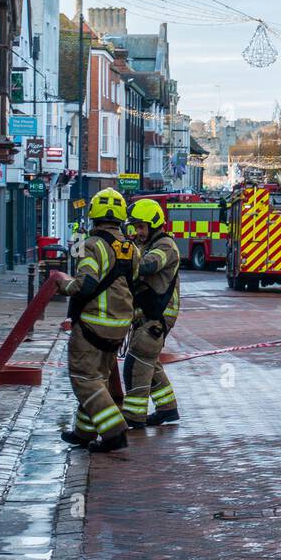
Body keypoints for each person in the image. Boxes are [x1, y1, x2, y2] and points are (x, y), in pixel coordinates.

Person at [58, 189, 139, 454]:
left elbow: (85, 284)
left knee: (84, 377)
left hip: (94, 324)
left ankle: (114, 432)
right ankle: (84, 432)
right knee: (99, 377)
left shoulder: (92, 245)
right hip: (120, 326)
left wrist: (62, 284)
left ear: (94, 215)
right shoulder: (130, 247)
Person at [122, 199, 181, 429]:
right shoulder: (145, 244)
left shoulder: (165, 246)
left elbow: (147, 266)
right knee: (149, 362)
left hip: (157, 316)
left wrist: (123, 257)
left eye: (141, 227)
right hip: (147, 314)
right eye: (135, 227)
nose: (137, 232)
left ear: (154, 225)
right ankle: (168, 409)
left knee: (136, 363)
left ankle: (134, 416)